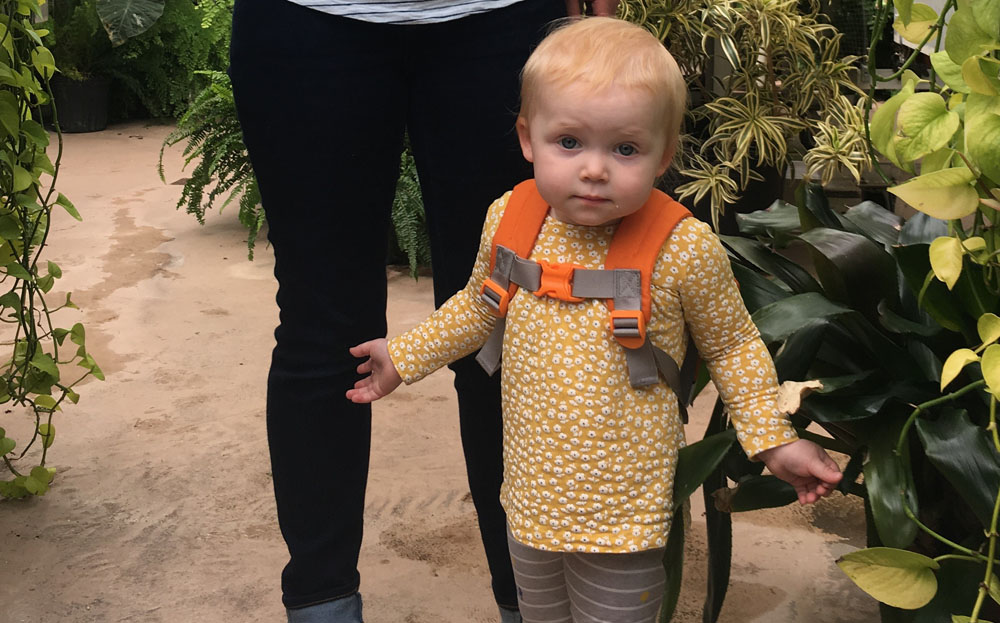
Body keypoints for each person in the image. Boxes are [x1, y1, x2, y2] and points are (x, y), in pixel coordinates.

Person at [347, 17, 844, 623]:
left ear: (664, 155)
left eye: (625, 149)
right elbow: (479, 305)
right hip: (530, 500)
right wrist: (404, 358)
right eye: (570, 142)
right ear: (529, 139)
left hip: (623, 516)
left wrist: (771, 441)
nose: (594, 169)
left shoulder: (682, 248)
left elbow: (735, 345)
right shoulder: (511, 218)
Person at [227, 0, 614, 620]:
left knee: (514, 325)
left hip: (503, 19)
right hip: (302, 20)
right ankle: (323, 604)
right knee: (323, 330)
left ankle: (534, 604)